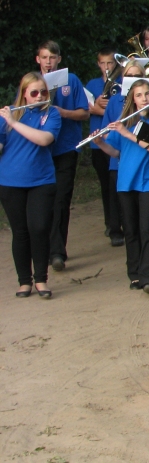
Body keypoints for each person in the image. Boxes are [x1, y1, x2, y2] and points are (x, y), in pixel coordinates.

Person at [93, 79, 149, 294]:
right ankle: (134, 274)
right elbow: (116, 152)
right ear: (132, 100)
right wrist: (100, 143)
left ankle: (148, 278)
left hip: (148, 181)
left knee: (147, 228)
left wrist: (127, 133)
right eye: (139, 95)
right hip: (125, 181)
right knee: (131, 230)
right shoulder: (125, 122)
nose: (144, 98)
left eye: (147, 94)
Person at [0, 72, 61, 298]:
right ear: (23, 94)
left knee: (39, 228)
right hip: (10, 181)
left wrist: (13, 122)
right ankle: (24, 281)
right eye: (33, 93)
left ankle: (41, 280)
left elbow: (44, 139)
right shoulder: (7, 116)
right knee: (20, 231)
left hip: (41, 181)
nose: (39, 96)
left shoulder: (52, 113)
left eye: (43, 92)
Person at [35, 40, 89, 272]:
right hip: (39, 150)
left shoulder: (72, 80)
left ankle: (57, 251)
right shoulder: (32, 82)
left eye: (53, 57)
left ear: (59, 59)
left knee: (61, 199)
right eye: (44, 57)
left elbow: (84, 113)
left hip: (66, 148)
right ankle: (41, 250)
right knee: (41, 201)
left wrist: (63, 112)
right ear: (38, 59)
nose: (49, 62)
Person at [85, 48, 124, 246]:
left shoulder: (123, 82)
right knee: (106, 185)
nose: (107, 67)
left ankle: (120, 222)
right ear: (98, 64)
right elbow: (87, 109)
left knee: (118, 183)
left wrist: (100, 108)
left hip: (118, 139)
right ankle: (110, 221)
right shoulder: (92, 84)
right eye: (103, 63)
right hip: (99, 140)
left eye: (110, 63)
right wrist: (100, 106)